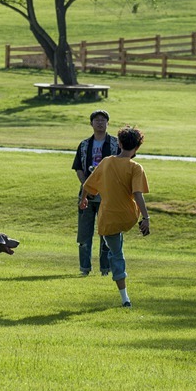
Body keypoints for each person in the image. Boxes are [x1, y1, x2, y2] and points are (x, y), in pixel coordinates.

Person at [82, 126, 150, 307]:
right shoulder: (136, 167)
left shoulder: (106, 162)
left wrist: (83, 201)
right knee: (117, 243)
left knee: (116, 254)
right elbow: (138, 194)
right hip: (129, 216)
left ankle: (125, 298)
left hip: (109, 217)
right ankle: (116, 247)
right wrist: (146, 218)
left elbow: (88, 186)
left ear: (119, 143)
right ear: (137, 148)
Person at [72, 109, 119, 276]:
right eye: (96, 120)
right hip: (86, 194)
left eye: (103, 120)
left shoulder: (115, 144)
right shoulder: (84, 145)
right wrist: (87, 185)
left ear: (108, 123)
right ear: (91, 123)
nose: (100, 123)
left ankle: (105, 270)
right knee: (84, 236)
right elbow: (78, 167)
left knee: (106, 234)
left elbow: (124, 163)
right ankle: (84, 269)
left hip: (108, 194)